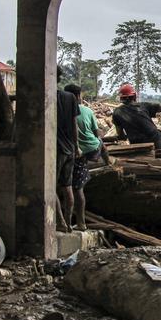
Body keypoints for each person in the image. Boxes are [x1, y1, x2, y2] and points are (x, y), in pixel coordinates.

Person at [64, 83, 110, 231]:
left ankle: (66, 222)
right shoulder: (87, 111)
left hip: (72, 152)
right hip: (91, 149)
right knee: (78, 189)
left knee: (68, 187)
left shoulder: (61, 111)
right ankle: (108, 162)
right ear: (78, 96)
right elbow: (96, 134)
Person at [55, 67, 80, 233]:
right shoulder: (70, 97)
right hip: (70, 148)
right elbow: (74, 125)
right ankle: (69, 223)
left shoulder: (46, 96)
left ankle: (61, 222)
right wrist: (76, 146)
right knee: (67, 186)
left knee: (50, 187)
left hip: (55, 149)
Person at [111, 83, 161, 150]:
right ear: (134, 96)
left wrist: (123, 136)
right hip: (157, 140)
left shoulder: (117, 112)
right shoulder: (143, 106)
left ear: (121, 98)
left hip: (138, 146)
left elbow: (120, 135)